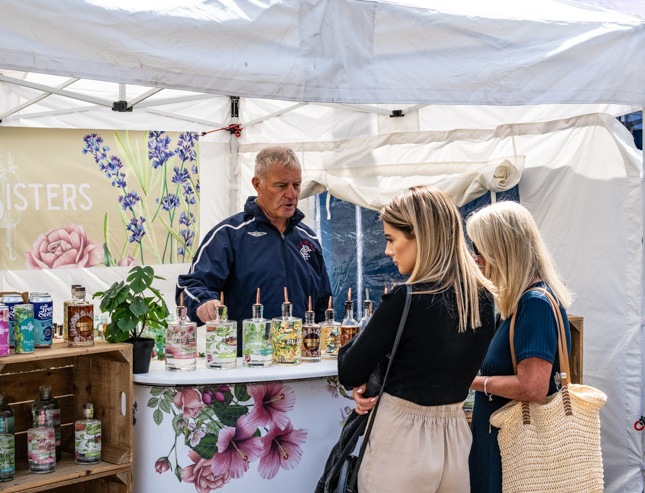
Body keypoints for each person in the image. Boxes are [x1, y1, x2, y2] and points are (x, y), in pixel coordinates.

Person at [340, 185, 495, 492]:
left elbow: (349, 370)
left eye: (391, 239)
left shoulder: (406, 300)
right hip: (454, 438)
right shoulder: (482, 299)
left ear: (419, 238)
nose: (388, 250)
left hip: (401, 441)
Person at [176, 145, 331, 354]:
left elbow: (324, 305)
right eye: (281, 186)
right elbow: (190, 285)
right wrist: (204, 302)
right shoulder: (229, 235)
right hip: (245, 362)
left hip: (299, 362)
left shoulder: (308, 239)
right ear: (257, 184)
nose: (291, 194)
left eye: (296, 184)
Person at [464, 201, 571, 493]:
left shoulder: (533, 304)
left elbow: (532, 387)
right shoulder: (520, 302)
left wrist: (470, 381)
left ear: (500, 250)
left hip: (514, 452)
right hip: (504, 443)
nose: (474, 258)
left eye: (478, 248)